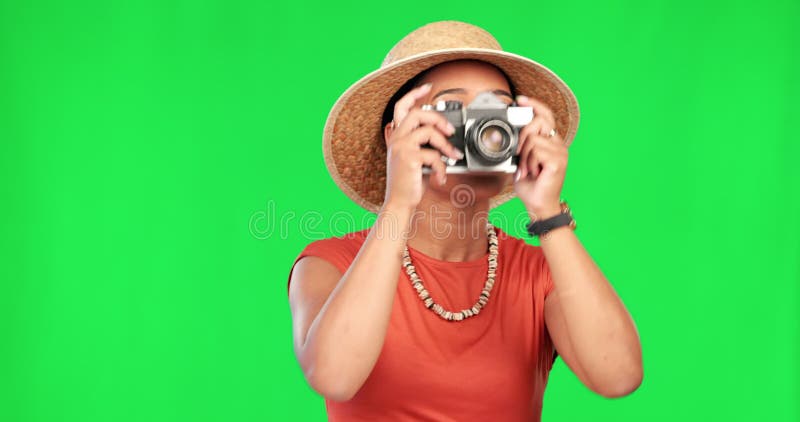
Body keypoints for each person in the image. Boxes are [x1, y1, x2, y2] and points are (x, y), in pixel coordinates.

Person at [287, 21, 642, 421]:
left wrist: (547, 210)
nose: (482, 127)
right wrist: (399, 201)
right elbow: (334, 376)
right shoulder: (329, 263)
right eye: (454, 108)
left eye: (498, 109)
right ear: (396, 135)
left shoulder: (540, 274)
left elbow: (619, 376)